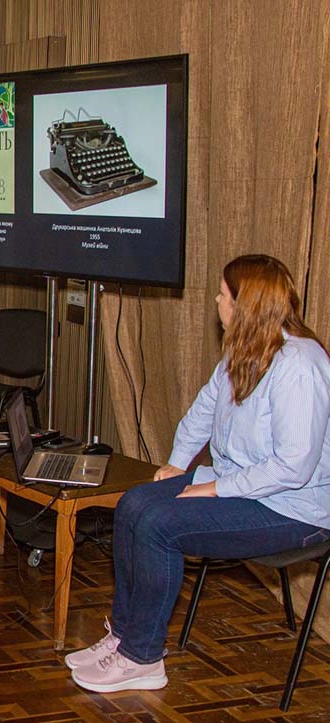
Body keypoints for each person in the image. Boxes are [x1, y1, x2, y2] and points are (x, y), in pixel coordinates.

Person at [67, 254, 330, 693]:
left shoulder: (300, 366)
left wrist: (214, 489)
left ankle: (143, 657)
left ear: (245, 306)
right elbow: (203, 410)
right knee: (132, 504)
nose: (216, 301)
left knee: (159, 526)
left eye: (223, 295)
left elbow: (293, 466)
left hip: (294, 508)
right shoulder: (244, 349)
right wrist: (177, 462)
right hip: (243, 485)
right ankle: (125, 635)